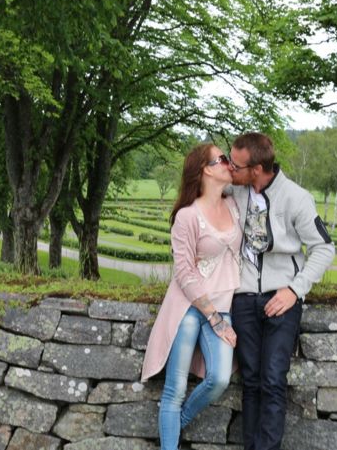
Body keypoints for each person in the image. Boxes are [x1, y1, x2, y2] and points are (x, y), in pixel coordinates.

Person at [228, 132, 335, 450]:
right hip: (243, 298)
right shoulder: (234, 189)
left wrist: (294, 290)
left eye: (236, 165)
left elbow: (324, 248)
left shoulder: (297, 198)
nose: (230, 169)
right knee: (250, 381)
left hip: (283, 299)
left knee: (273, 379)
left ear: (257, 169)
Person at [141, 144, 242, 450]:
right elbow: (184, 273)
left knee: (219, 379)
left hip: (223, 306)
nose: (229, 163)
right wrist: (213, 318)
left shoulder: (234, 205)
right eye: (222, 159)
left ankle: (174, 424)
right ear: (205, 169)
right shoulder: (187, 216)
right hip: (188, 307)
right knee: (175, 389)